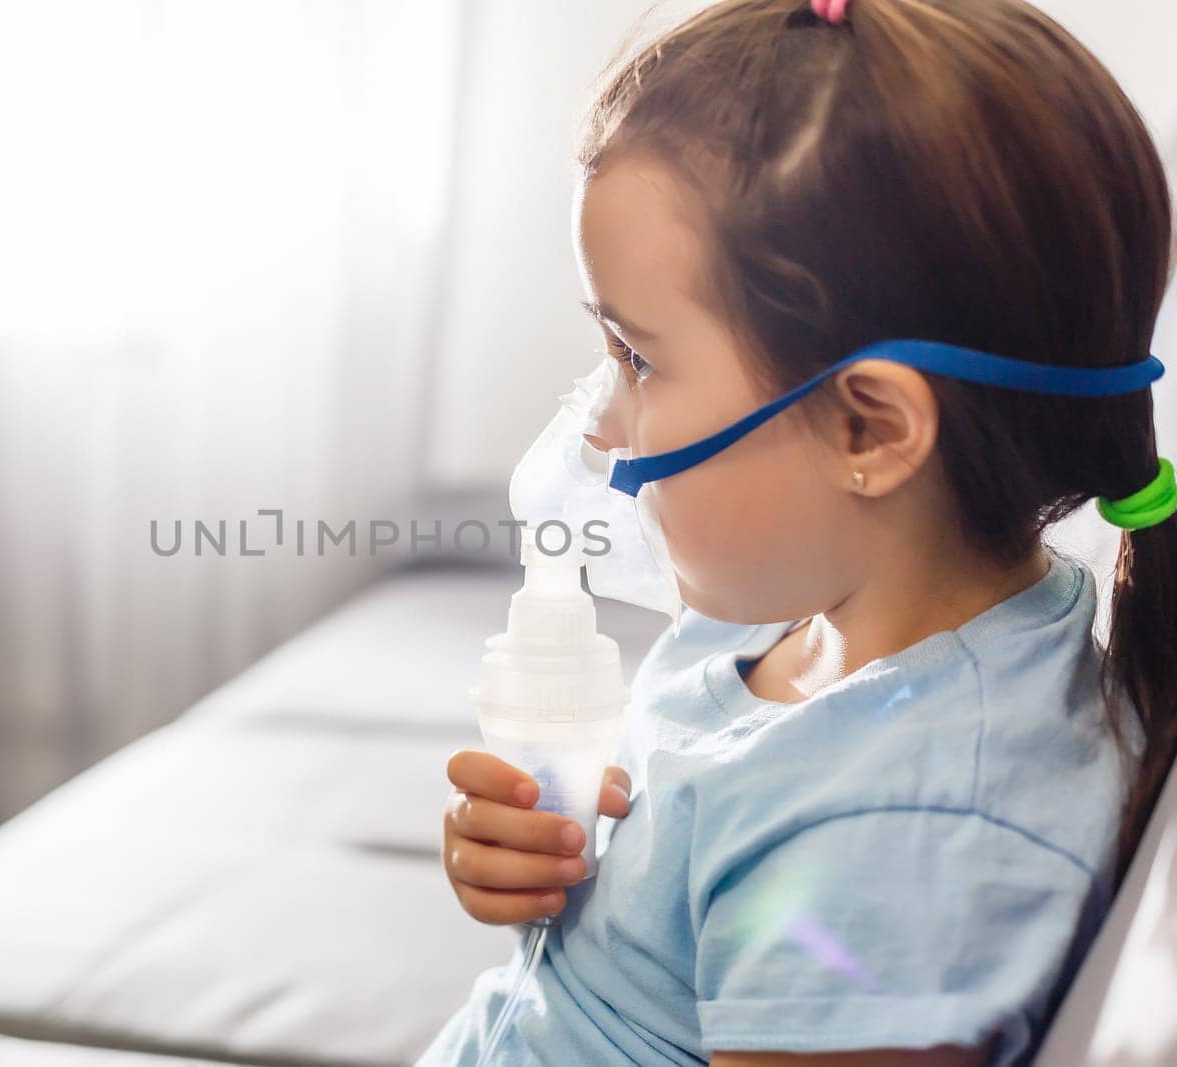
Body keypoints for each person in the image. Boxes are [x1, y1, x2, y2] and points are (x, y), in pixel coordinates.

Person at [423, 0, 1176, 1063]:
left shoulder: (903, 840)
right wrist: (544, 875)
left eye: (638, 358)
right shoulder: (799, 612)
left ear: (867, 426)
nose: (597, 419)